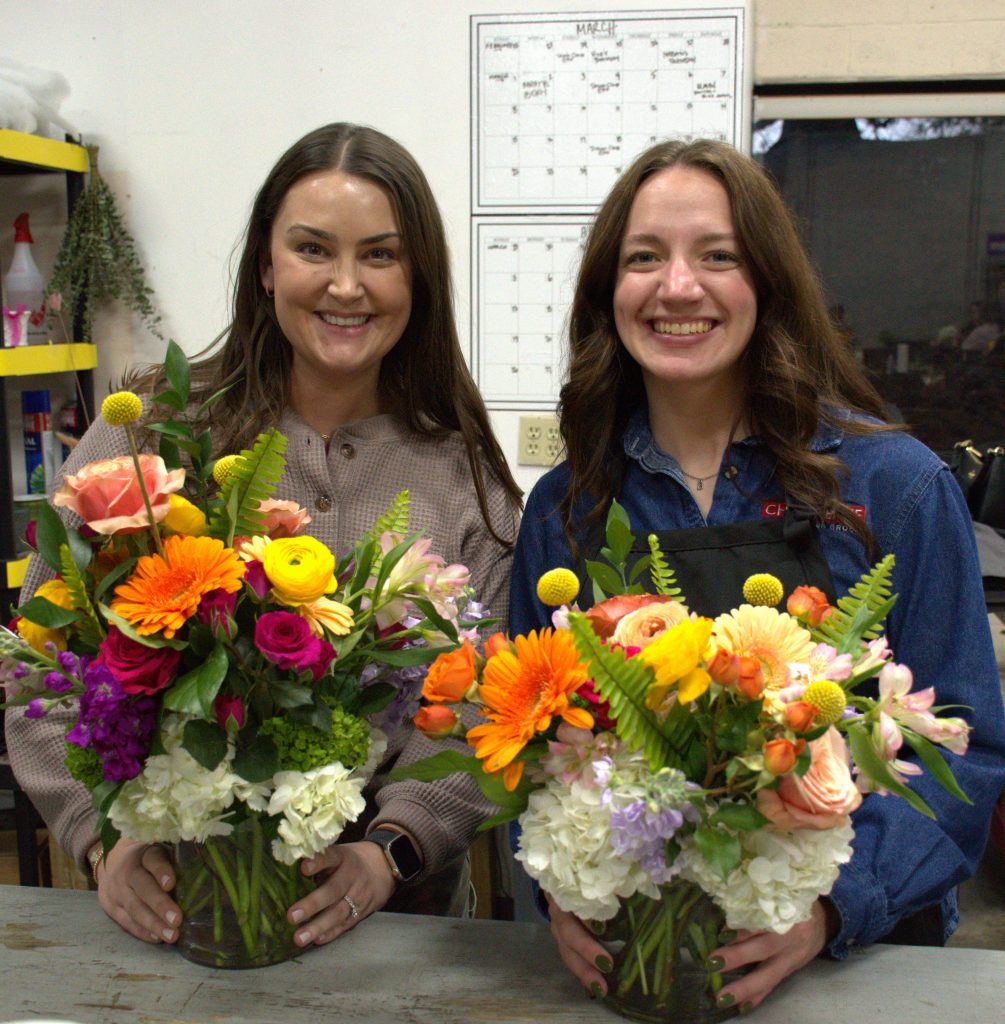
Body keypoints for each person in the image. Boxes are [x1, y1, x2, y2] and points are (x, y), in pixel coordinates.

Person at [509, 139, 1005, 1010]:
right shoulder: (566, 506)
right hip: (643, 960)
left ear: (768, 283)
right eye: (642, 258)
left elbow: (966, 748)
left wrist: (828, 910)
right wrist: (563, 892)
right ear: (606, 293)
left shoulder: (893, 485)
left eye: (717, 256)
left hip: (862, 963)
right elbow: (528, 746)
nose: (676, 287)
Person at [6, 123, 521, 949]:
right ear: (266, 265)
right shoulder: (152, 439)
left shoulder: (461, 474)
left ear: (418, 275)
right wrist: (103, 836)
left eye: (380, 255)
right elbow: (34, 665)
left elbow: (486, 707)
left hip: (399, 931)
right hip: (180, 914)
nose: (346, 286)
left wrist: (393, 850)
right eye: (313, 249)